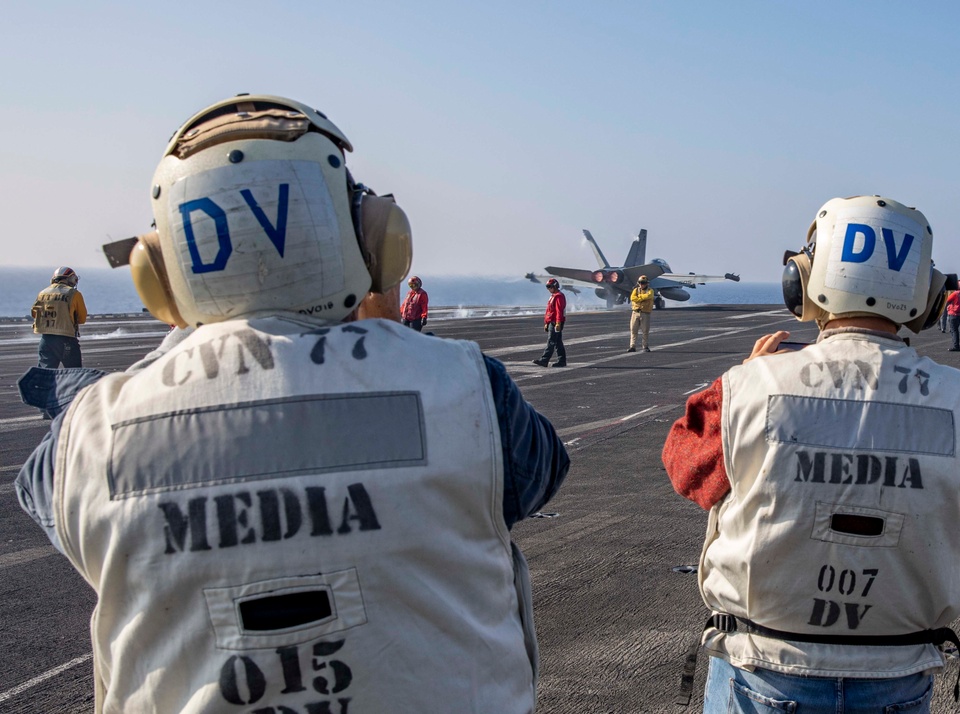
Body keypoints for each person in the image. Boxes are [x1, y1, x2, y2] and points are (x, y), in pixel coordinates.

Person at [16, 94, 570, 713]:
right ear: (372, 242)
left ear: (162, 272)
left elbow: (56, 503)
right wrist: (388, 327)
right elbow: (541, 470)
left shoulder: (91, 434)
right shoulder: (470, 392)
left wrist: (182, 353)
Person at [662, 195, 960, 713]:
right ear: (927, 296)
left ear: (804, 280)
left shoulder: (747, 388)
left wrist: (746, 376)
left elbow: (687, 470)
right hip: (898, 674)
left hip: (766, 667)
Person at [30, 266, 87, 368]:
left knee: (45, 376)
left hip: (46, 340)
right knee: (74, 375)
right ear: (69, 278)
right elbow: (82, 319)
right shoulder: (74, 294)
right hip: (66, 340)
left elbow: (34, 313)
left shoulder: (42, 293)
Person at [533, 277, 567, 367]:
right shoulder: (553, 296)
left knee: (551, 341)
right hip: (552, 322)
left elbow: (559, 311)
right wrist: (546, 323)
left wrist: (558, 323)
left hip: (556, 322)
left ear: (555, 286)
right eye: (547, 287)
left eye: (550, 286)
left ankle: (544, 360)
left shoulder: (559, 296)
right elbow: (549, 311)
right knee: (558, 342)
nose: (548, 289)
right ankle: (562, 361)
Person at [627, 275, 654, 352]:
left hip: (645, 313)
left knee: (645, 331)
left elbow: (648, 296)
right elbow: (632, 298)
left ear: (647, 283)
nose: (642, 284)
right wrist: (642, 298)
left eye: (644, 283)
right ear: (638, 283)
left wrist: (638, 298)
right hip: (635, 313)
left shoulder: (650, 291)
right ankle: (632, 346)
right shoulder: (635, 290)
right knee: (633, 330)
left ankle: (645, 346)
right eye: (641, 283)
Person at [946, 279, 960, 351]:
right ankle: (956, 345)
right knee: (955, 330)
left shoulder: (955, 293)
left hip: (954, 313)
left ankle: (956, 346)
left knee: (954, 330)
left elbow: (947, 300)